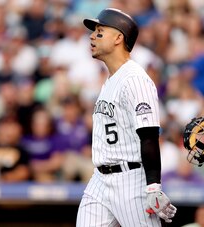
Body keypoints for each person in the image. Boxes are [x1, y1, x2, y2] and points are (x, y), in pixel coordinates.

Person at [76, 8, 177, 227]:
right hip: (100, 180)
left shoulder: (135, 79)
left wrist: (153, 186)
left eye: (100, 32)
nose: (92, 36)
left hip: (130, 179)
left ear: (118, 38)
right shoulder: (111, 80)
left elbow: (149, 135)